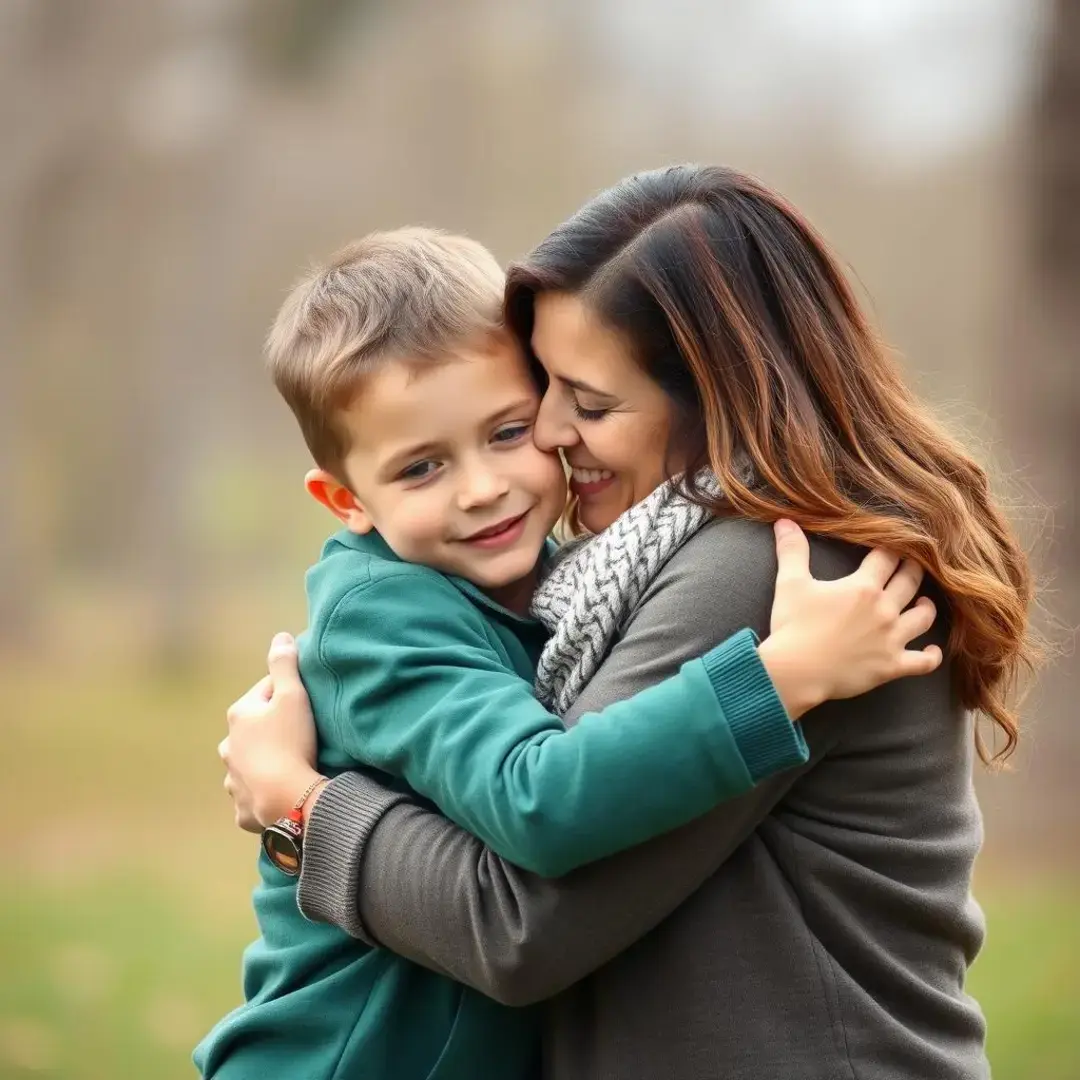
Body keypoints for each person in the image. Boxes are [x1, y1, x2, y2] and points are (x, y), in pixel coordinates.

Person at [223, 166, 1038, 1080]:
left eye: (582, 404)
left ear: (718, 395)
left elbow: (518, 925)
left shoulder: (765, 574)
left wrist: (299, 805)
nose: (552, 435)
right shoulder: (546, 584)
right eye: (549, 391)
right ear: (347, 499)